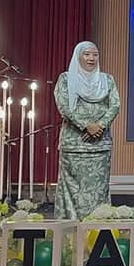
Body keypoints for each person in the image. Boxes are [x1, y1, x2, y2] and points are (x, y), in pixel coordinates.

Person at [53, 41, 120, 219]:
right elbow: (64, 106)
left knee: (99, 190)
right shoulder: (66, 79)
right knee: (73, 190)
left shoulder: (107, 80)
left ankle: (96, 229)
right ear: (78, 56)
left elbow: (115, 105)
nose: (91, 58)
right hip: (74, 145)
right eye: (87, 54)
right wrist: (86, 125)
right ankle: (70, 229)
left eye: (95, 54)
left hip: (100, 145)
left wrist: (100, 125)